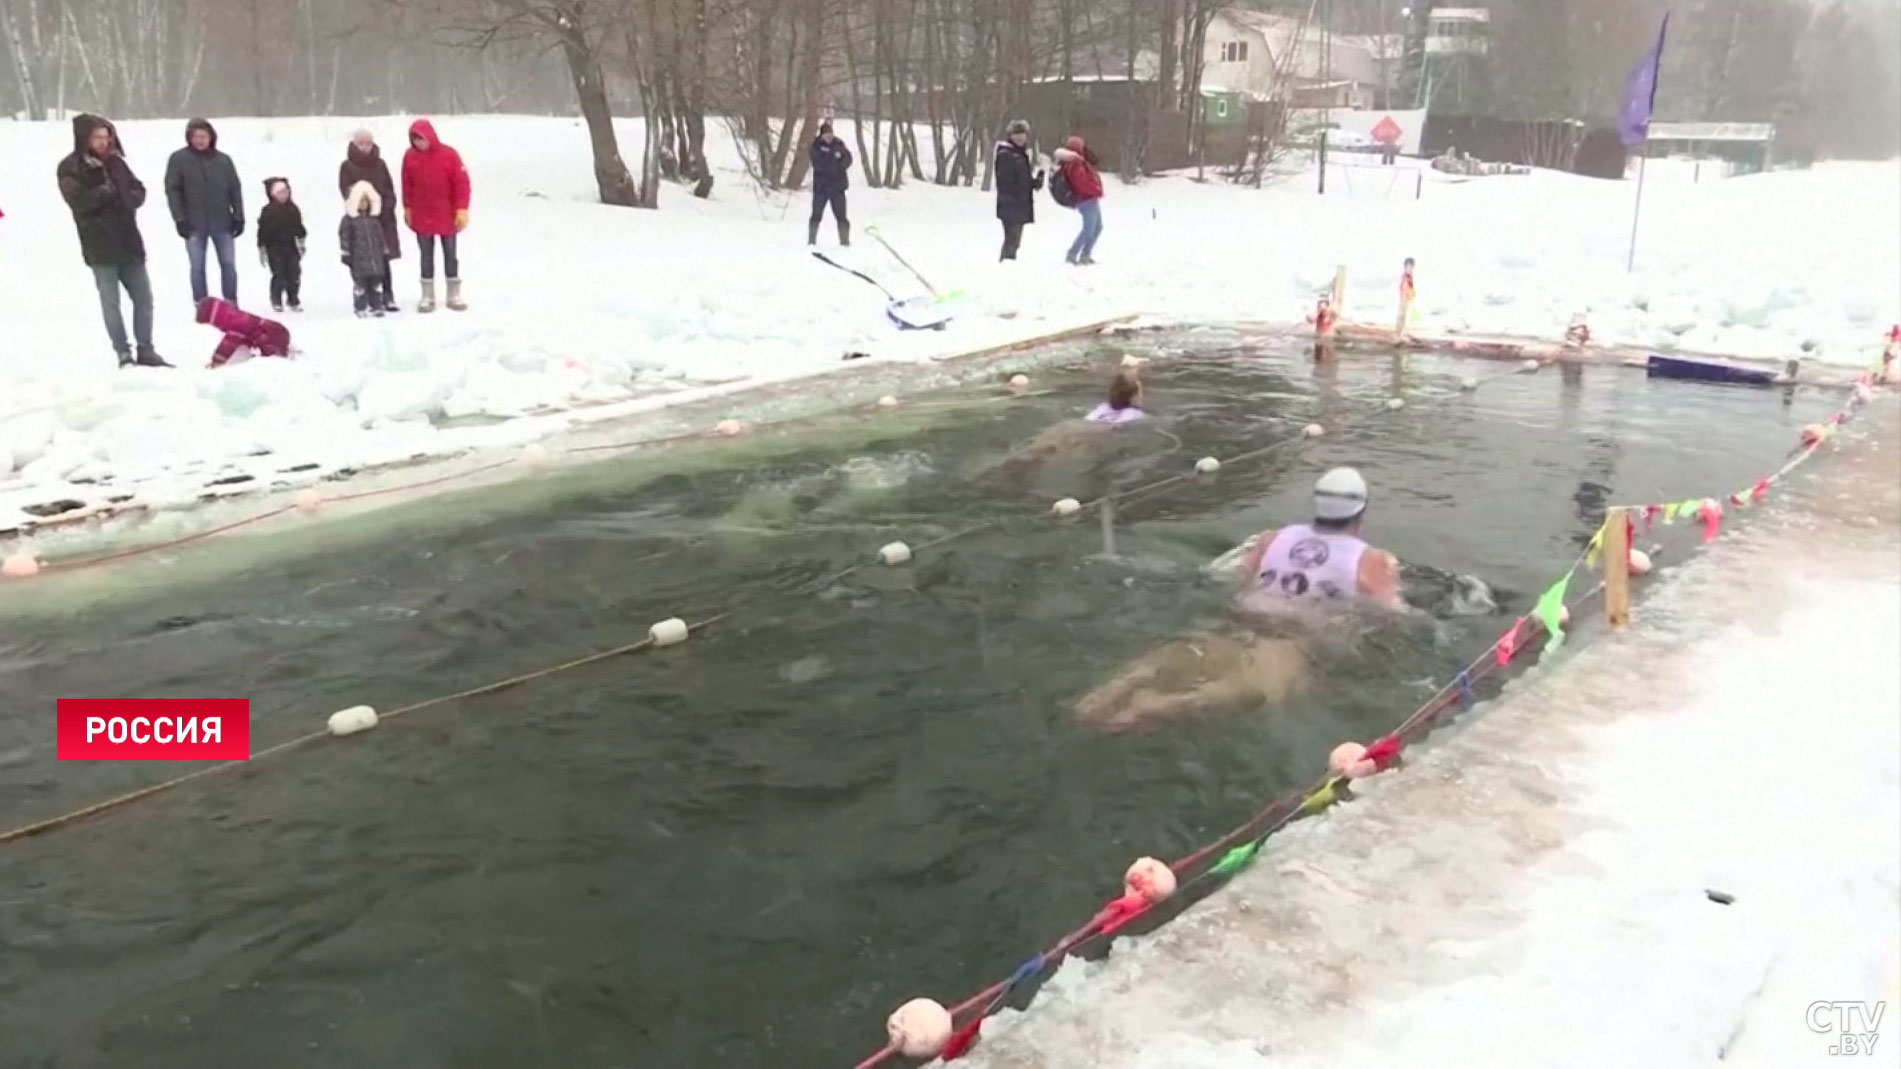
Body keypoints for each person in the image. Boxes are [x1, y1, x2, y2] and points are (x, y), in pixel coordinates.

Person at [1072, 468, 1403, 730]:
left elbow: (1238, 580)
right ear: (1361, 513)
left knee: (1164, 663)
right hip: (1288, 641)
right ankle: (1150, 707)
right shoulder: (1373, 561)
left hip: (1235, 622)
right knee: (1255, 693)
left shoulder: (1272, 538)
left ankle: (1103, 697)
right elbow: (1392, 616)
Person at [58, 114, 168, 368]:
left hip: (129, 242)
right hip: (99, 245)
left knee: (144, 299)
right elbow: (78, 201)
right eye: (97, 137)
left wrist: (129, 198)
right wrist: (108, 193)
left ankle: (146, 349)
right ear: (85, 138)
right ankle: (123, 352)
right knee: (111, 303)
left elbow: (138, 189)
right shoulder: (70, 168)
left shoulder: (117, 163)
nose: (103, 142)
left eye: (106, 137)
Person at [164, 118, 244, 306]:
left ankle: (231, 301)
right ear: (189, 138)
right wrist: (179, 219)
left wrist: (239, 215)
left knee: (228, 264)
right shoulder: (178, 159)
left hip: (222, 221)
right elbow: (173, 190)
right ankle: (202, 303)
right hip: (193, 223)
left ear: (211, 137)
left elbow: (234, 188)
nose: (200, 140)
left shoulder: (223, 160)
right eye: (196, 137)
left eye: (203, 136)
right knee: (197, 266)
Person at [401, 118, 470, 313]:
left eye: (421, 139)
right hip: (422, 215)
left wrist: (461, 208)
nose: (419, 143)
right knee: (426, 255)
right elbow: (406, 183)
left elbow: (462, 183)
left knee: (450, 254)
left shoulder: (449, 155)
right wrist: (408, 207)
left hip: (447, 215)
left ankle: (453, 293)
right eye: (415, 140)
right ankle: (427, 295)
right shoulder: (410, 157)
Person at [338, 128, 402, 312]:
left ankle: (387, 295)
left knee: (384, 258)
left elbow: (389, 189)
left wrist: (385, 207)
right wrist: (360, 206)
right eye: (361, 144)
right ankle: (364, 295)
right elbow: (346, 190)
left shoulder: (380, 164)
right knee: (361, 260)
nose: (365, 147)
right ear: (354, 144)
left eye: (368, 143)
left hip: (383, 219)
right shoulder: (347, 166)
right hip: (359, 219)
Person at [994, 119, 1043, 261]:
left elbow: (1023, 180)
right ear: (1010, 135)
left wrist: (1035, 183)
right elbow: (1004, 181)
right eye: (1016, 134)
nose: (1020, 138)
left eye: (1023, 134)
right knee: (1012, 241)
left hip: (1020, 205)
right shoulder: (1006, 154)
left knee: (1014, 242)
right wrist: (1017, 192)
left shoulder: (1021, 155)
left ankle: (1007, 265)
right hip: (1010, 205)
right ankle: (1005, 266)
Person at [256, 178, 306, 313]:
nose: (284, 195)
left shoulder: (293, 209)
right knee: (279, 275)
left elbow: (299, 226)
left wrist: (301, 239)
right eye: (280, 193)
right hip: (274, 248)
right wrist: (262, 247)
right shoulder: (268, 211)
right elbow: (262, 231)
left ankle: (293, 299)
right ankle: (276, 300)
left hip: (291, 246)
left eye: (286, 192)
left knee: (294, 274)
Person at [341, 181, 390, 317]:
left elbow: (380, 237)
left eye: (366, 201)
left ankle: (376, 305)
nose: (363, 204)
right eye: (360, 201)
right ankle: (360, 306)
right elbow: (344, 236)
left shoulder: (374, 221)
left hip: (375, 259)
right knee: (360, 285)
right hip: (358, 259)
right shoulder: (349, 221)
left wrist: (384, 249)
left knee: (376, 284)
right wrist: (346, 251)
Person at [1052, 136, 1104, 266]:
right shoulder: (1075, 164)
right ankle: (1072, 254)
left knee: (1097, 228)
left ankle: (1085, 254)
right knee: (1089, 230)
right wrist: (1096, 190)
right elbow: (1082, 184)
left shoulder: (1078, 162)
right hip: (1086, 199)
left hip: (1089, 199)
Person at [808, 121, 852, 247]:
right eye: (826, 135)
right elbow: (817, 163)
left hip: (837, 187)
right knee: (816, 215)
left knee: (841, 216)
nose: (829, 137)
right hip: (821, 188)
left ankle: (844, 241)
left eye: (830, 134)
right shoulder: (816, 146)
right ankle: (812, 240)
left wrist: (840, 165)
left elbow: (847, 159)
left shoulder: (839, 144)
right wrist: (832, 162)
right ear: (822, 135)